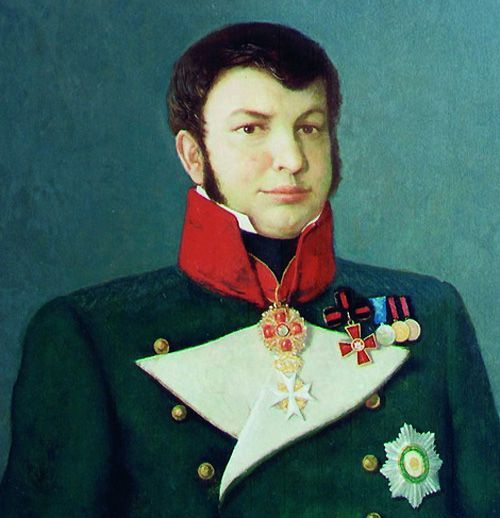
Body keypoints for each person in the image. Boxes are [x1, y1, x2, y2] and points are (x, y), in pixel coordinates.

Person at [0, 22, 498, 517]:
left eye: (309, 128)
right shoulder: (88, 334)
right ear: (193, 155)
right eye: (251, 129)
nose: (292, 159)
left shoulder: (432, 315)